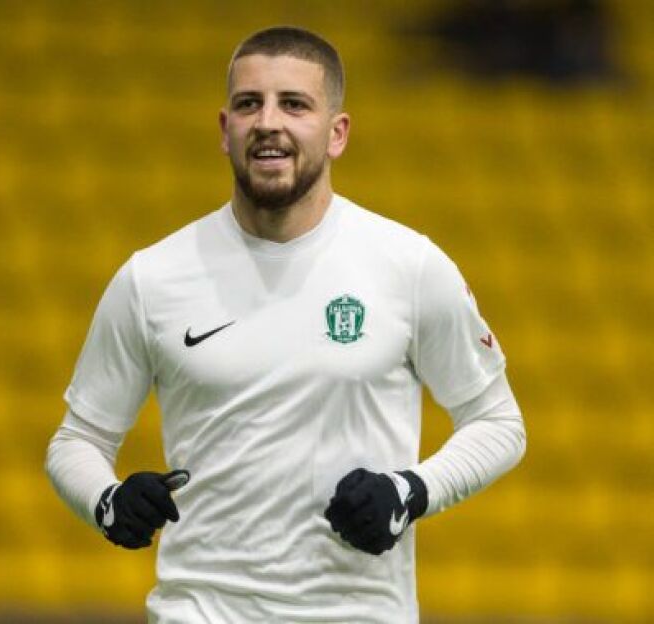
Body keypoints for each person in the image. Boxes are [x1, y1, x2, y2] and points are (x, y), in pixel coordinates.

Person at [46, 26, 526, 623]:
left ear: (337, 133)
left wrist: (411, 491)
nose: (268, 122)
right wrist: (108, 500)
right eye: (250, 104)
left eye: (294, 104)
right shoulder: (152, 277)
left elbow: (499, 423)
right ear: (225, 129)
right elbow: (77, 441)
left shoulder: (408, 266)